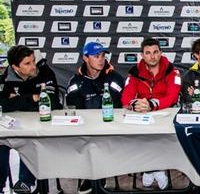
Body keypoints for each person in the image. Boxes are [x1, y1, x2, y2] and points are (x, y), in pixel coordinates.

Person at [121, 38, 181, 190]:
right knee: (140, 136)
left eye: (155, 52)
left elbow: (172, 96)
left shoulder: (172, 71)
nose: (152, 56)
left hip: (165, 113)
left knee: (161, 135)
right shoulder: (134, 72)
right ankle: (152, 169)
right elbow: (126, 97)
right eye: (148, 53)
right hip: (142, 114)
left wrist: (153, 104)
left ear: (161, 53)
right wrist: (135, 104)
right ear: (142, 55)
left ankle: (154, 168)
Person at [65, 42, 124, 193]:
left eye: (103, 56)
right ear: (85, 58)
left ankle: (95, 178)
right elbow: (74, 108)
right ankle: (94, 178)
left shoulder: (115, 78)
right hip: (86, 129)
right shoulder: (76, 81)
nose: (101, 59)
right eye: (96, 56)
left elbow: (118, 107)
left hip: (111, 128)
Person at [0, 45, 60, 193]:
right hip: (15, 124)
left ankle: (26, 182)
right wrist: (32, 98)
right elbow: (3, 104)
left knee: (31, 139)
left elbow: (51, 102)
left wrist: (18, 100)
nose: (33, 66)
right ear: (15, 67)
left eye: (33, 61)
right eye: (27, 63)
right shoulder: (5, 77)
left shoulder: (44, 71)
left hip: (42, 124)